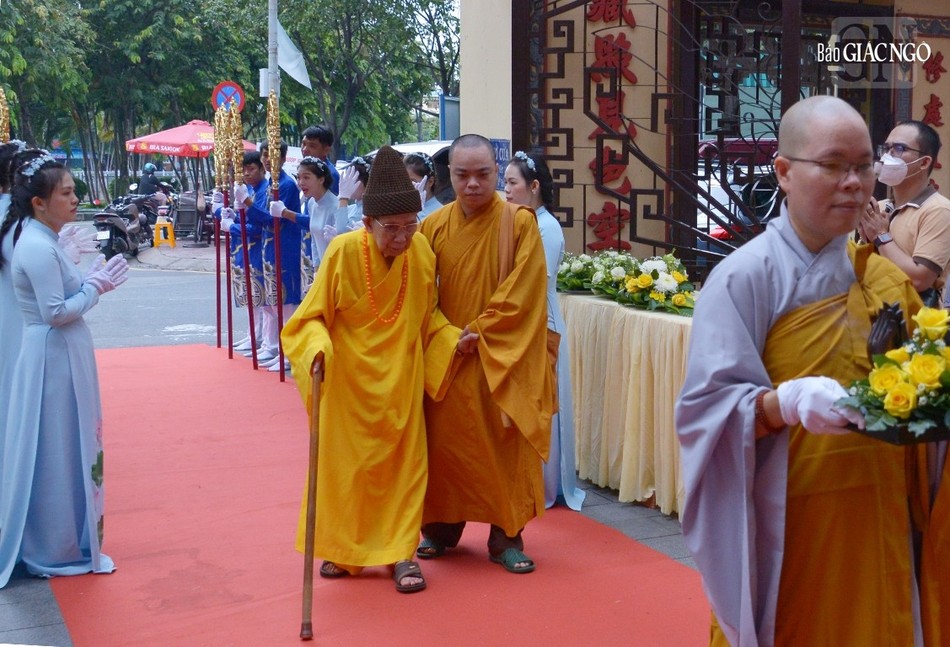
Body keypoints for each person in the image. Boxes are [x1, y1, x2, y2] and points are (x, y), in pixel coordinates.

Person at [675, 96, 932, 645]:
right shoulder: (745, 278)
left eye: (864, 165)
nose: (854, 183)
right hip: (791, 523)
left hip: (880, 517)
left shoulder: (885, 281)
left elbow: (923, 392)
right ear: (785, 172)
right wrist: (782, 403)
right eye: (834, 164)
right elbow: (705, 415)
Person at [280, 145, 478, 593]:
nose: (402, 238)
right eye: (392, 229)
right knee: (350, 474)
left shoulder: (422, 255)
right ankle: (348, 552)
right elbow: (309, 318)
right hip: (349, 385)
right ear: (367, 223)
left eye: (411, 226)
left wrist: (452, 340)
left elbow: (430, 319)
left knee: (403, 473)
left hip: (402, 383)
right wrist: (315, 350)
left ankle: (401, 554)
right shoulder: (343, 253)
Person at [416, 134, 555, 574]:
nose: (473, 184)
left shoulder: (519, 223)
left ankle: (506, 536)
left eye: (483, 175)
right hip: (450, 356)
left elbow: (525, 292)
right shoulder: (433, 227)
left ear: (497, 174)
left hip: (502, 358)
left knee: (502, 446)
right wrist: (445, 335)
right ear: (448, 176)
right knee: (446, 446)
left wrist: (480, 330)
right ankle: (440, 528)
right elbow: (421, 293)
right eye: (462, 175)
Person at [0, 150, 128, 588]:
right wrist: (95, 286)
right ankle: (52, 544)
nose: (76, 200)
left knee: (68, 441)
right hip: (51, 357)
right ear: (39, 201)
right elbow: (56, 311)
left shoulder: (41, 238)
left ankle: (66, 536)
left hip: (60, 353)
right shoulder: (34, 244)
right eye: (67, 193)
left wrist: (87, 276)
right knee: (54, 445)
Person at [503, 150, 585, 511]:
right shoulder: (520, 221)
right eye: (504, 182)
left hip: (542, 323)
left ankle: (549, 485)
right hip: (523, 321)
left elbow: (538, 281)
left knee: (545, 404)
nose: (505, 190)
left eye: (512, 183)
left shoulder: (545, 227)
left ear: (533, 187)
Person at [858, 120, 950, 307]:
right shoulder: (880, 208)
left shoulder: (938, 210)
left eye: (899, 148)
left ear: (924, 162)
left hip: (912, 325)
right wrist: (866, 240)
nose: (888, 155)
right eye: (886, 148)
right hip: (869, 313)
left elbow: (919, 280)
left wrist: (881, 236)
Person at [249, 141, 302, 373]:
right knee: (273, 300)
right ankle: (276, 346)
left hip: (285, 245)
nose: (269, 159)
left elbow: (273, 219)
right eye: (265, 154)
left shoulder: (287, 185)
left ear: (283, 157)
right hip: (269, 245)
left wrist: (249, 205)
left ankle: (288, 352)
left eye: (274, 154)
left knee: (286, 301)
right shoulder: (270, 183)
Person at [271, 156, 337, 296]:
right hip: (320, 269)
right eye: (299, 178)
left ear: (321, 179)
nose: (301, 183)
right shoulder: (312, 203)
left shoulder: (335, 206)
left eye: (306, 178)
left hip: (335, 269)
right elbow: (314, 240)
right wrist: (317, 271)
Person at [301, 126, 340, 195]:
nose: (304, 149)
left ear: (326, 150)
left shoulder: (331, 175)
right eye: (303, 144)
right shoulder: (305, 169)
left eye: (312, 146)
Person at [404, 152, 442, 218]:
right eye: (404, 181)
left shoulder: (440, 212)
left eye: (412, 181)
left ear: (430, 182)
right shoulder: (403, 208)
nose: (406, 186)